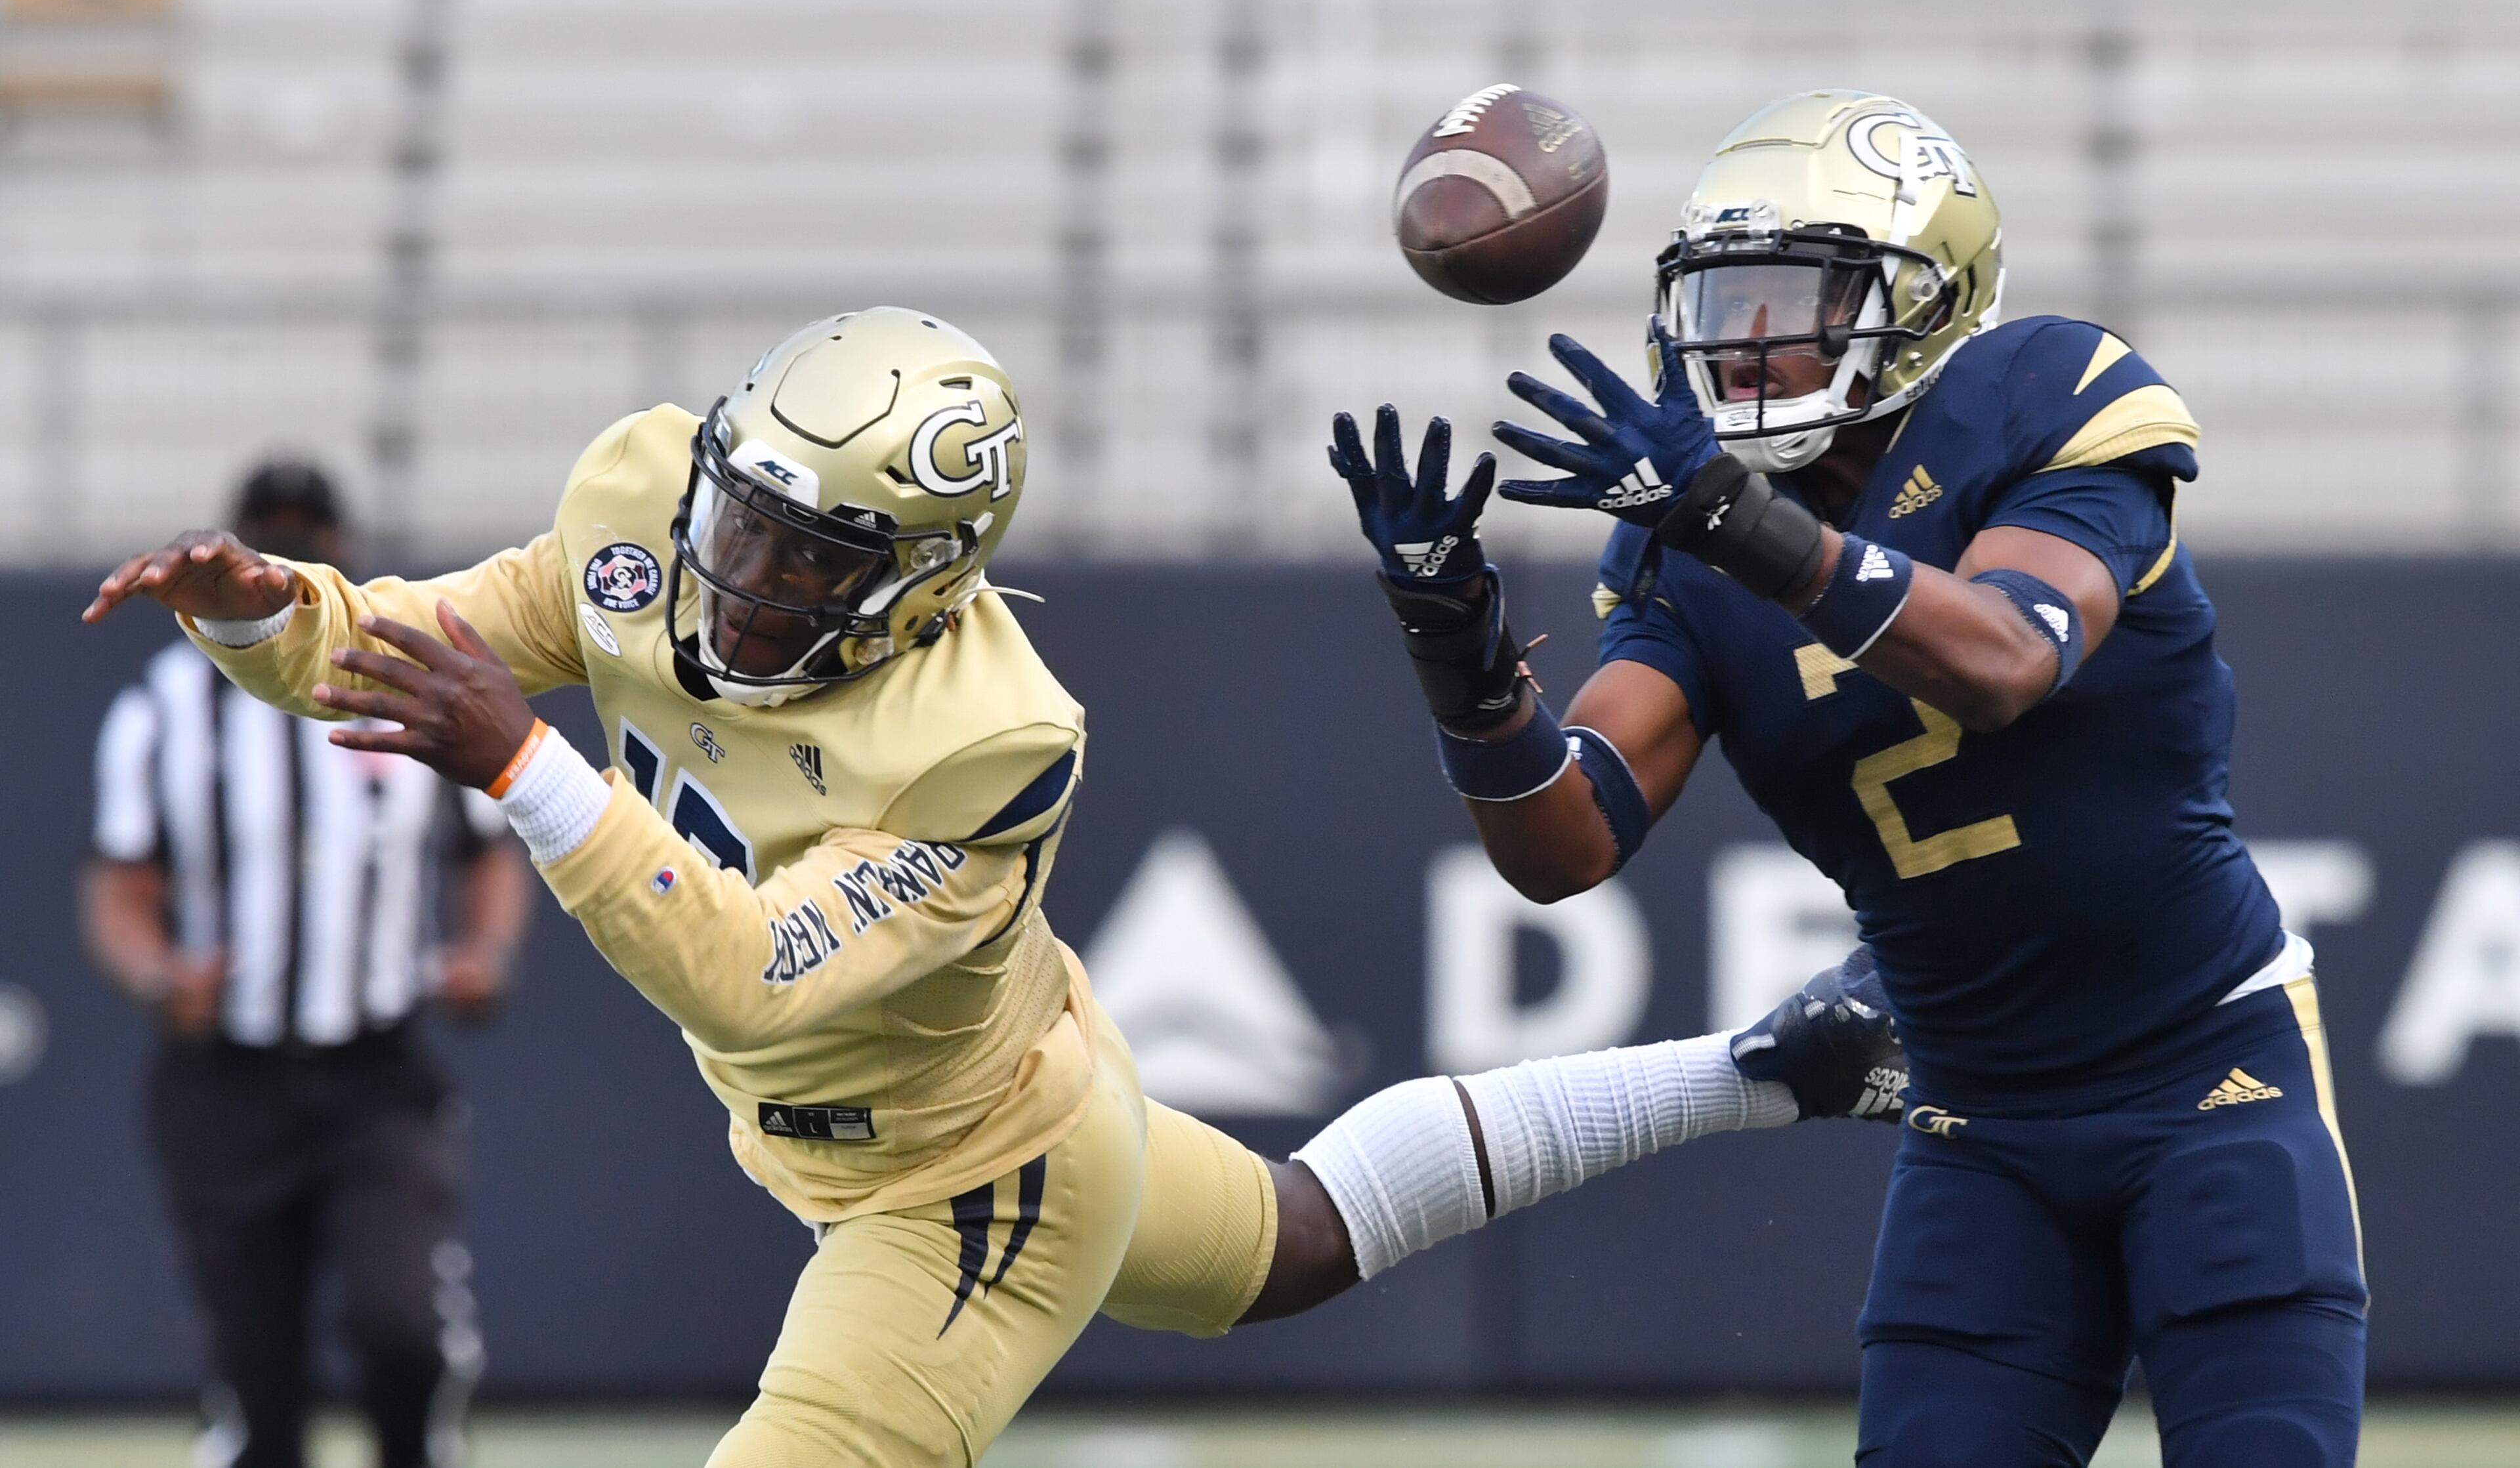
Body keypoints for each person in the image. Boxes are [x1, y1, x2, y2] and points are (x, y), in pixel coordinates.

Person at [83, 307, 1902, 1464]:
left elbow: (750, 978)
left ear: (920, 585)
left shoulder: (987, 735)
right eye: (740, 512)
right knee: (1293, 1240)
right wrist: (272, 615)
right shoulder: (645, 509)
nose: (737, 570)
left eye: (805, 553)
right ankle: (1758, 1067)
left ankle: (1761, 1068)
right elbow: (413, 648)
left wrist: (520, 761)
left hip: (968, 1175)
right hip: (993, 1092)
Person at [1311, 91, 2366, 1465]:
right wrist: (1457, 650)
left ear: (1928, 297)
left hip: (2209, 1070)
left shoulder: (2050, 397)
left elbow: (2003, 659)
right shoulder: (1686, 541)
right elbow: (1565, 840)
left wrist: (1740, 524)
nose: (1750, 344)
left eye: (1798, 301)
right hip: (1976, 1114)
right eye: (1726, 304)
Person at [82, 461, 532, 1468]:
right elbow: (119, 889)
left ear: (343, 550)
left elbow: (490, 848)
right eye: (272, 535)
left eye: (311, 535)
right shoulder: (162, 712)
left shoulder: (395, 680)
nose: (296, 552)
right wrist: (159, 975)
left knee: (402, 1330)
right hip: (227, 1082)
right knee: (260, 1380)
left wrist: (486, 952)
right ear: (237, 556)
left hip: (376, 1070)